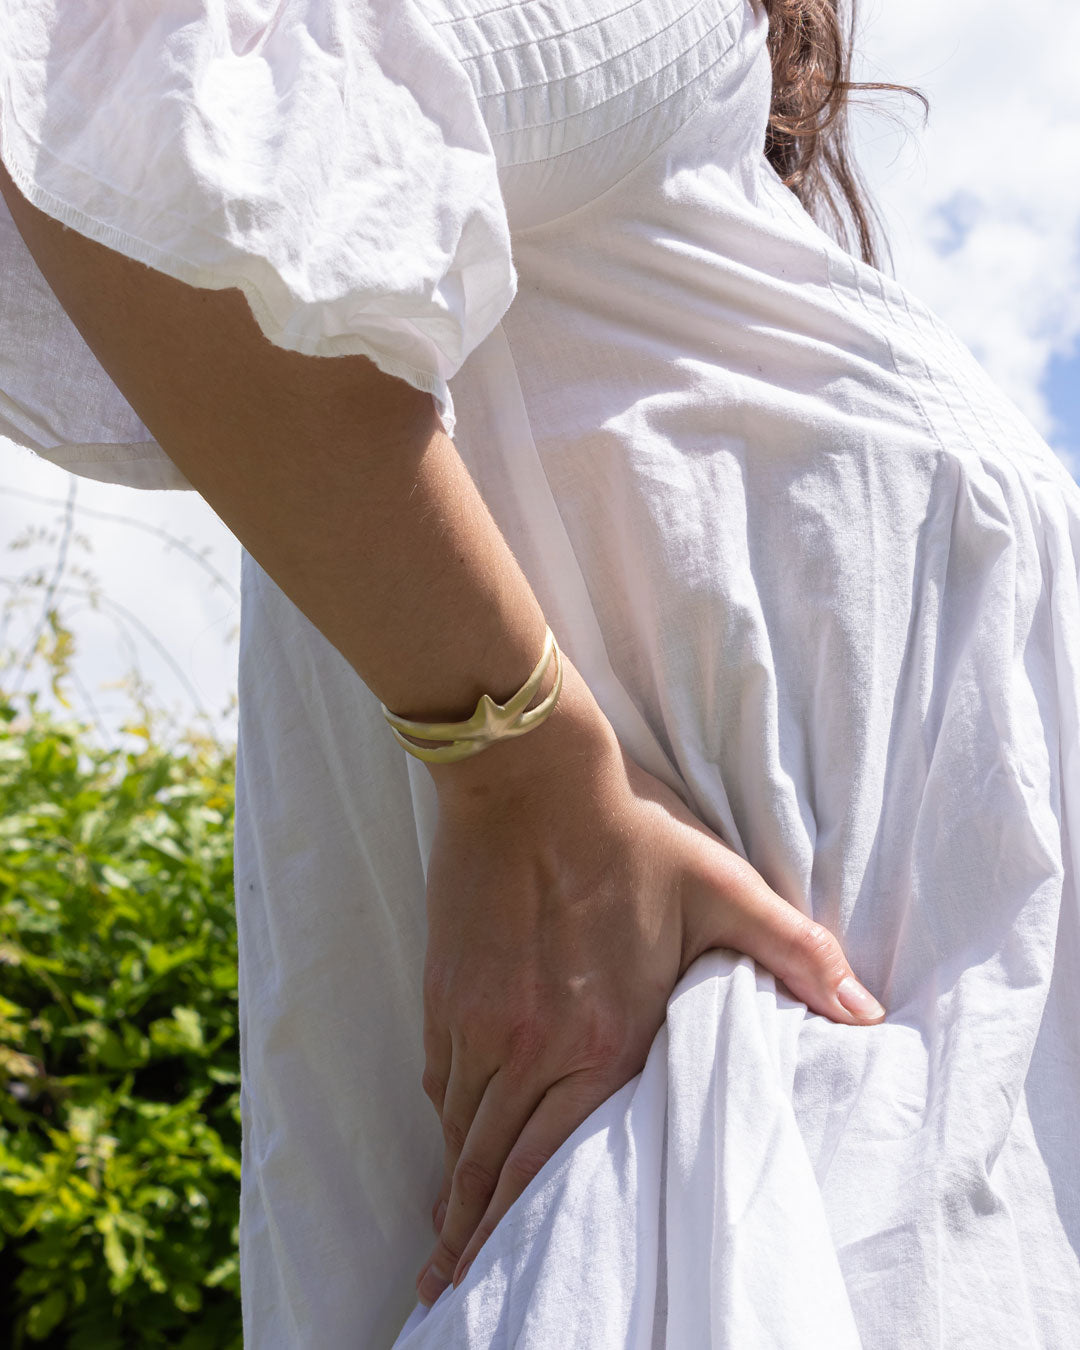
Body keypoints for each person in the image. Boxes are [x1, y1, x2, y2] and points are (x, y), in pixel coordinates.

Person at [1, 0, 1077, 1345]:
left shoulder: (685, 193)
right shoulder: (667, 43)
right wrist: (520, 764)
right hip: (688, 1257)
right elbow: (84, 83)